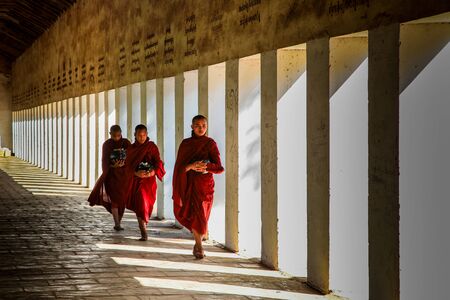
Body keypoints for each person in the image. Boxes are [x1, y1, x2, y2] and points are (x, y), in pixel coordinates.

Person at [172, 115, 224, 259]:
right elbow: (179, 168)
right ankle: (199, 246)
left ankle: (197, 243)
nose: (200, 128)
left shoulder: (210, 143)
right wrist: (191, 166)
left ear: (207, 127)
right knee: (196, 214)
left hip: (205, 186)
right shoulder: (186, 144)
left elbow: (220, 168)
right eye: (197, 125)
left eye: (203, 126)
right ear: (192, 127)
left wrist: (206, 167)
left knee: (202, 215)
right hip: (189, 185)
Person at [88, 125, 131, 231]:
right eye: (114, 135)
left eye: (118, 135)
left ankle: (119, 221)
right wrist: (112, 166)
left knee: (122, 200)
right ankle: (117, 223)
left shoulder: (126, 143)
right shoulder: (107, 144)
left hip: (124, 176)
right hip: (112, 175)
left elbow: (131, 157)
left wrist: (123, 164)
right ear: (110, 134)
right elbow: (104, 160)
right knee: (114, 200)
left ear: (121, 133)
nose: (116, 138)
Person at [126, 124, 165, 241]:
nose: (142, 137)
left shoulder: (152, 147)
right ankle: (143, 230)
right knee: (140, 204)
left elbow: (158, 162)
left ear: (147, 135)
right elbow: (126, 166)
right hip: (136, 180)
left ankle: (143, 225)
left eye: (144, 135)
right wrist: (135, 173)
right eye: (139, 135)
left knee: (147, 204)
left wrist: (153, 172)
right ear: (135, 135)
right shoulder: (131, 149)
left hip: (149, 181)